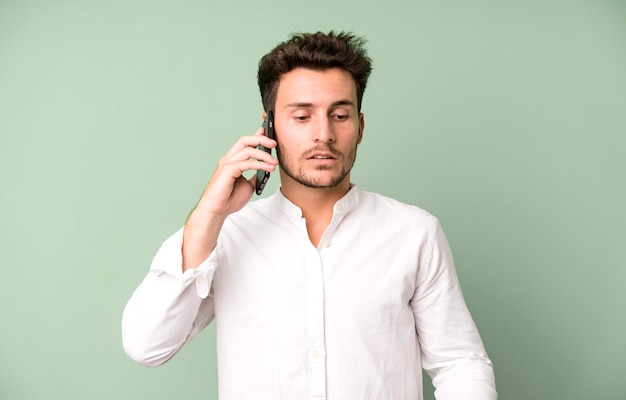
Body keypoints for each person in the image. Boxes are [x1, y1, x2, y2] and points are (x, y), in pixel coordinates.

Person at [122, 31, 497, 400]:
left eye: (340, 115)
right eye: (302, 116)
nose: (324, 134)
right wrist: (209, 213)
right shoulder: (226, 234)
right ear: (269, 128)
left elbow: (459, 362)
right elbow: (147, 345)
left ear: (360, 128)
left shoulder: (414, 232)